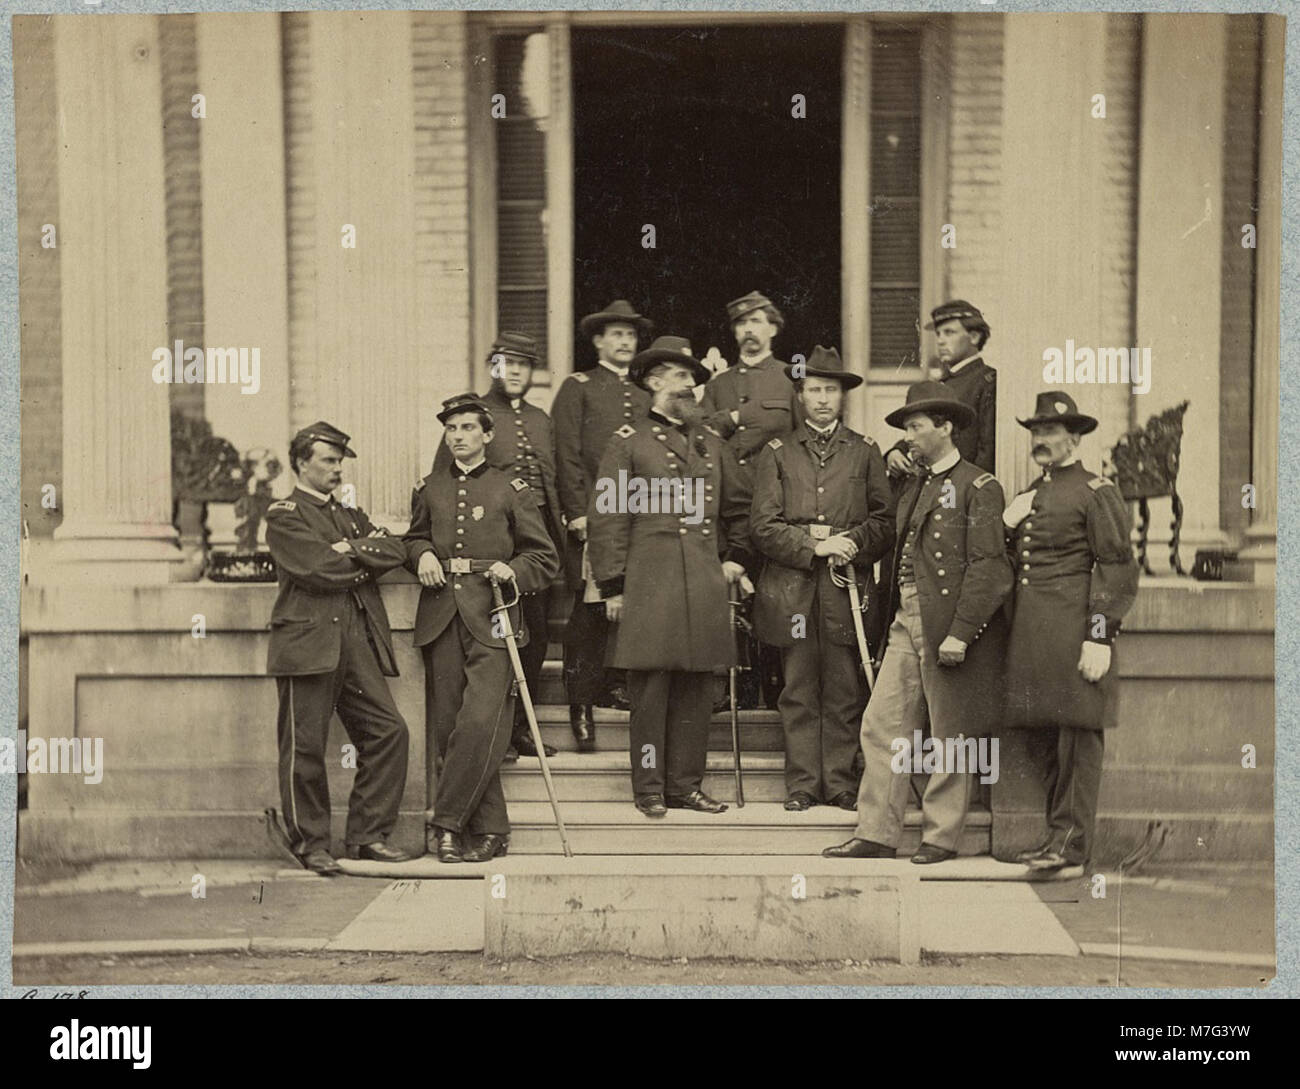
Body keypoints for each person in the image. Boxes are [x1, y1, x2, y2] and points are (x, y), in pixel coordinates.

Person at [824, 382, 1011, 864]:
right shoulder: (914, 483)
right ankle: (877, 832)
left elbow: (990, 569)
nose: (908, 436)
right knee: (882, 723)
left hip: (947, 624)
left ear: (945, 427)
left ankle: (941, 837)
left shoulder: (980, 486)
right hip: (906, 620)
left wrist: (960, 632)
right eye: (906, 427)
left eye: (916, 426)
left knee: (949, 732)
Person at [588, 336, 753, 817]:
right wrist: (613, 585)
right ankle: (650, 788)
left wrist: (736, 558)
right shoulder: (629, 444)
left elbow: (741, 507)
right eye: (681, 378)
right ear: (654, 382)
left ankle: (685, 785)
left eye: (694, 380)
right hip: (648, 578)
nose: (690, 387)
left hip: (702, 579)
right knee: (651, 690)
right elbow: (608, 517)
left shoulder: (711, 444)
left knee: (698, 689)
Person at [405, 394, 559, 863]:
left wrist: (513, 570)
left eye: (468, 428)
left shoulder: (511, 488)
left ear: (487, 436)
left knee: (480, 722)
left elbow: (543, 557)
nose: (459, 436)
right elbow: (412, 538)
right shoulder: (428, 487)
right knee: (452, 726)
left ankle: (447, 824)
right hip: (440, 615)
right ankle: (492, 830)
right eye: (451, 428)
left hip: (495, 617)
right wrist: (423, 554)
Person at [265, 421, 413, 875]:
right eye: (328, 461)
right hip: (307, 641)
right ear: (301, 462)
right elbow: (318, 568)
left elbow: (395, 550)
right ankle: (310, 844)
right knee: (305, 748)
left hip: (355, 640)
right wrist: (360, 560)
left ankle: (367, 837)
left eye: (339, 461)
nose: (337, 470)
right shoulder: (284, 513)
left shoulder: (348, 515)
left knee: (389, 733)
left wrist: (350, 547)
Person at [749, 346, 893, 811]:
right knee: (798, 691)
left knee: (845, 690)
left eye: (831, 389)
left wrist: (850, 543)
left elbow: (884, 522)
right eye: (814, 389)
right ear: (800, 395)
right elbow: (763, 526)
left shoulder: (866, 451)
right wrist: (816, 547)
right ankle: (802, 786)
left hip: (845, 590)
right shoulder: (777, 454)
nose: (824, 398)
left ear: (843, 396)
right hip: (792, 593)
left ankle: (840, 783)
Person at [1003, 391, 1139, 873]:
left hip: (1075, 630)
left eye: (1050, 431)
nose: (1040, 439)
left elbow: (1117, 566)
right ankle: (1055, 838)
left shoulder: (1096, 490)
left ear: (1074, 437)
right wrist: (1006, 525)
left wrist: (1100, 634)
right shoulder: (1033, 492)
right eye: (1036, 432)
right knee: (1047, 738)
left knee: (1079, 739)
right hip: (1035, 635)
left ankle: (1071, 848)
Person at [431, 332, 563, 763]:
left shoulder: (542, 419)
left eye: (524, 365)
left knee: (535, 634)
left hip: (536, 541)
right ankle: (499, 730)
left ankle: (521, 726)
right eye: (507, 364)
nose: (516, 372)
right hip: (492, 544)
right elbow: (444, 485)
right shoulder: (472, 419)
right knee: (499, 642)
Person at [551, 299, 653, 748]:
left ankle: (617, 684)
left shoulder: (648, 393)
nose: (625, 342)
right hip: (596, 515)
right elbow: (566, 454)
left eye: (630, 335)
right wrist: (577, 512)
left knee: (633, 603)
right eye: (616, 334)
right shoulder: (579, 387)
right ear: (597, 341)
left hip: (643, 519)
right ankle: (581, 704)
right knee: (592, 611)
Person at [699, 291, 802, 708]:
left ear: (774, 328)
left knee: (776, 598)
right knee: (731, 596)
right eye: (742, 323)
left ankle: (776, 687)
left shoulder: (791, 379)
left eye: (758, 321)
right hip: (731, 506)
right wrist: (729, 419)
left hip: (779, 506)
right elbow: (701, 435)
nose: (749, 330)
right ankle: (738, 687)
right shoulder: (718, 385)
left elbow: (802, 439)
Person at [885, 300, 997, 479]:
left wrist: (971, 489)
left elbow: (988, 448)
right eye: (938, 334)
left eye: (949, 333)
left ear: (974, 337)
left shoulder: (987, 382)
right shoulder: (941, 382)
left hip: (962, 484)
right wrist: (897, 451)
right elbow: (922, 429)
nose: (940, 341)